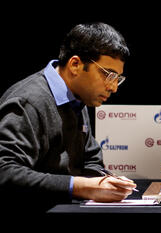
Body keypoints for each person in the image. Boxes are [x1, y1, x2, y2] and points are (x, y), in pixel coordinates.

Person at [0, 22, 136, 212]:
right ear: (75, 65)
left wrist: (105, 179)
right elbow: (5, 172)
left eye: (117, 79)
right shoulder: (27, 102)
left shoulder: (77, 98)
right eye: (108, 75)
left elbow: (91, 159)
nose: (113, 87)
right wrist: (81, 186)